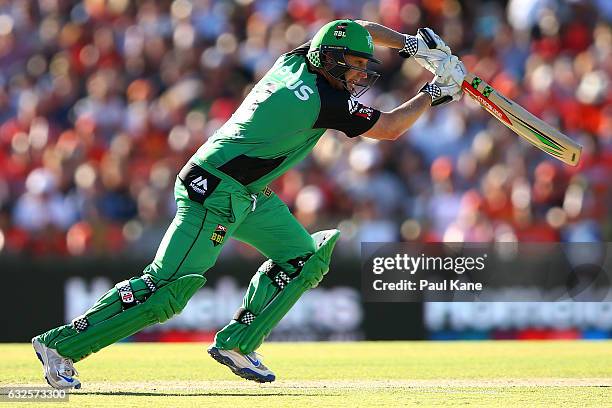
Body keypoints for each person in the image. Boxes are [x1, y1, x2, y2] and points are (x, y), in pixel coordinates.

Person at [32, 19, 466, 388]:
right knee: (167, 290)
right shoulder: (323, 100)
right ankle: (60, 346)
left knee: (304, 259)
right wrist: (436, 91)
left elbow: (357, 29)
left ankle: (238, 343)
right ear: (331, 61)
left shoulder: (298, 59)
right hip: (216, 190)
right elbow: (389, 128)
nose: (358, 74)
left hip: (246, 191)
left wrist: (410, 46)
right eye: (352, 66)